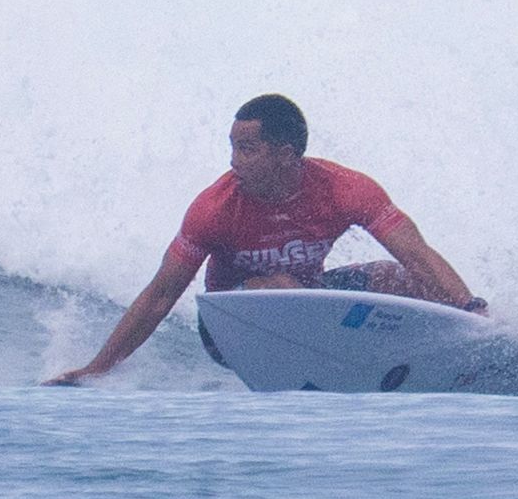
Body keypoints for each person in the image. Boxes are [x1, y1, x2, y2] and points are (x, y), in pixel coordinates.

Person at [46, 93, 481, 385]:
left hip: (309, 307)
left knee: (394, 276)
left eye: (247, 149)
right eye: (232, 147)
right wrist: (99, 368)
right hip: (231, 326)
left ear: (287, 155)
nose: (233, 161)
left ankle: (453, 358)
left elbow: (416, 253)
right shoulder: (214, 208)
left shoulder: (345, 189)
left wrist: (471, 309)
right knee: (283, 287)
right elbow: (160, 296)